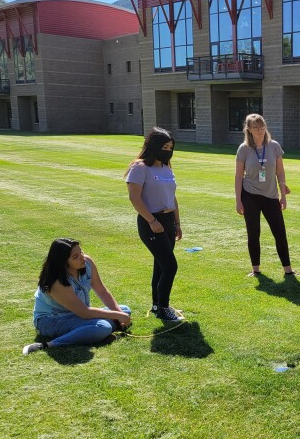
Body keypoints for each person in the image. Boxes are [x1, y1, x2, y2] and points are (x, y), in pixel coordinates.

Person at [23, 238, 132, 354]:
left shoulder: (87, 263)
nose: (82, 257)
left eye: (81, 252)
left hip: (77, 314)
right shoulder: (56, 282)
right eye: (75, 257)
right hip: (52, 321)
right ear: (63, 263)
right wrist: (117, 316)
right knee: (103, 327)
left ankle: (91, 335)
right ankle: (50, 344)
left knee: (125, 310)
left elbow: (102, 291)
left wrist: (120, 314)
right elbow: (84, 313)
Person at [126, 127, 184, 321]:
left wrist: (177, 223)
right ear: (154, 146)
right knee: (170, 266)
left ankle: (156, 305)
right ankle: (164, 308)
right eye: (164, 146)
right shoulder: (139, 167)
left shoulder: (167, 167)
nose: (168, 150)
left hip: (167, 221)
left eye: (170, 147)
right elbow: (134, 198)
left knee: (160, 266)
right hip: (151, 221)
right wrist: (152, 221)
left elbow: (172, 197)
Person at [234, 113, 294, 276]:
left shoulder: (274, 146)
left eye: (262, 127)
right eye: (256, 128)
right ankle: (256, 270)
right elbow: (239, 176)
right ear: (249, 130)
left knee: (280, 232)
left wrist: (283, 194)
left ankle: (288, 270)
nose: (260, 130)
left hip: (271, 196)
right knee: (253, 233)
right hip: (250, 195)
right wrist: (238, 201)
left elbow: (280, 172)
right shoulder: (244, 149)